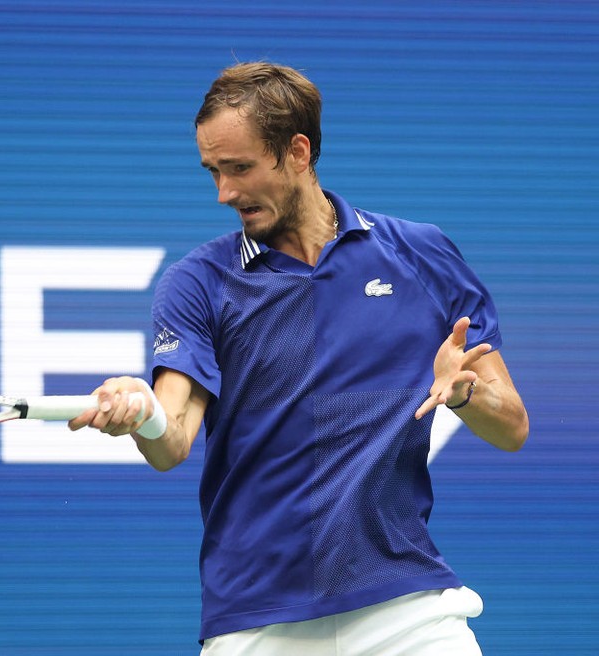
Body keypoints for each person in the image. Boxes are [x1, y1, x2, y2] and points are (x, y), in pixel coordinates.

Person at [68, 62, 529, 655]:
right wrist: (142, 414)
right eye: (213, 172)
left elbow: (512, 427)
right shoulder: (197, 283)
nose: (224, 193)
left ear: (298, 152)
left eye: (240, 169)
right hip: (257, 618)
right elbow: (173, 441)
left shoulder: (422, 256)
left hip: (406, 609)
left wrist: (467, 394)